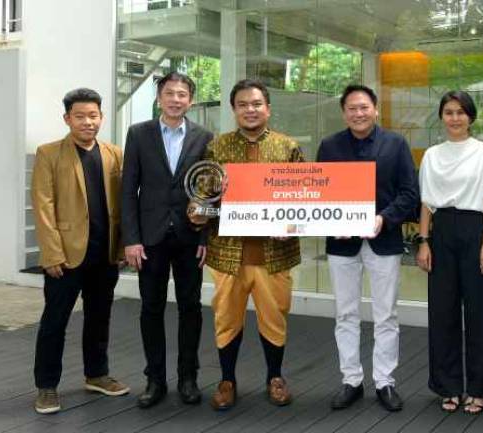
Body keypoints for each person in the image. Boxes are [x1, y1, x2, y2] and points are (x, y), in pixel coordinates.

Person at [189, 79, 303, 411]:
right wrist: (206, 206)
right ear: (234, 109)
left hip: (275, 254)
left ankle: (275, 378)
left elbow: (304, 200)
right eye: (242, 105)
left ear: (268, 108)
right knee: (226, 320)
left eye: (256, 104)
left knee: (275, 319)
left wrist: (291, 225)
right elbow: (201, 203)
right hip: (228, 254)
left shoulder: (288, 147)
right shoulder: (217, 148)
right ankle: (227, 381)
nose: (250, 110)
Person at [316, 84, 419, 412]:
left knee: (386, 314)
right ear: (344, 112)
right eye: (352, 108)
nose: (358, 113)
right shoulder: (329, 146)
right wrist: (333, 222)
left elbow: (409, 193)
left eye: (364, 107)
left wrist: (383, 218)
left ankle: (385, 381)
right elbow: (320, 192)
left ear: (375, 109)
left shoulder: (396, 144)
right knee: (345, 313)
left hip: (383, 240)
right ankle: (352, 380)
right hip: (341, 243)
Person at [31, 88, 129, 414]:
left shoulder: (114, 153)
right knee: (54, 322)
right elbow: (43, 206)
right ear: (67, 119)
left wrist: (122, 246)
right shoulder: (49, 153)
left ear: (101, 117)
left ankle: (97, 374)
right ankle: (47, 387)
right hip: (65, 256)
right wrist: (51, 254)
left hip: (105, 254)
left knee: (99, 318)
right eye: (80, 116)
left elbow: (124, 203)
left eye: (93, 115)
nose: (88, 122)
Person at [121, 72, 214, 408]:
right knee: (151, 308)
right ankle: (155, 380)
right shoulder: (138, 134)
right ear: (159, 98)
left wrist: (204, 236)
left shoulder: (204, 137)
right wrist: (131, 239)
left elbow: (209, 190)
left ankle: (188, 378)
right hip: (150, 237)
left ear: (191, 100)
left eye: (182, 94)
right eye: (170, 93)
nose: (176, 99)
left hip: (190, 237)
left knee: (191, 307)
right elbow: (128, 190)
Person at [416, 91, 483, 415]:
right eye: (449, 112)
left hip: (475, 230)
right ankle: (448, 386)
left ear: (471, 117)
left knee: (481, 313)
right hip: (441, 233)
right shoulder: (432, 155)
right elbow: (426, 202)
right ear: (442, 117)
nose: (455, 118)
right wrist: (423, 241)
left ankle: (480, 388)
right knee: (443, 314)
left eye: (461, 112)